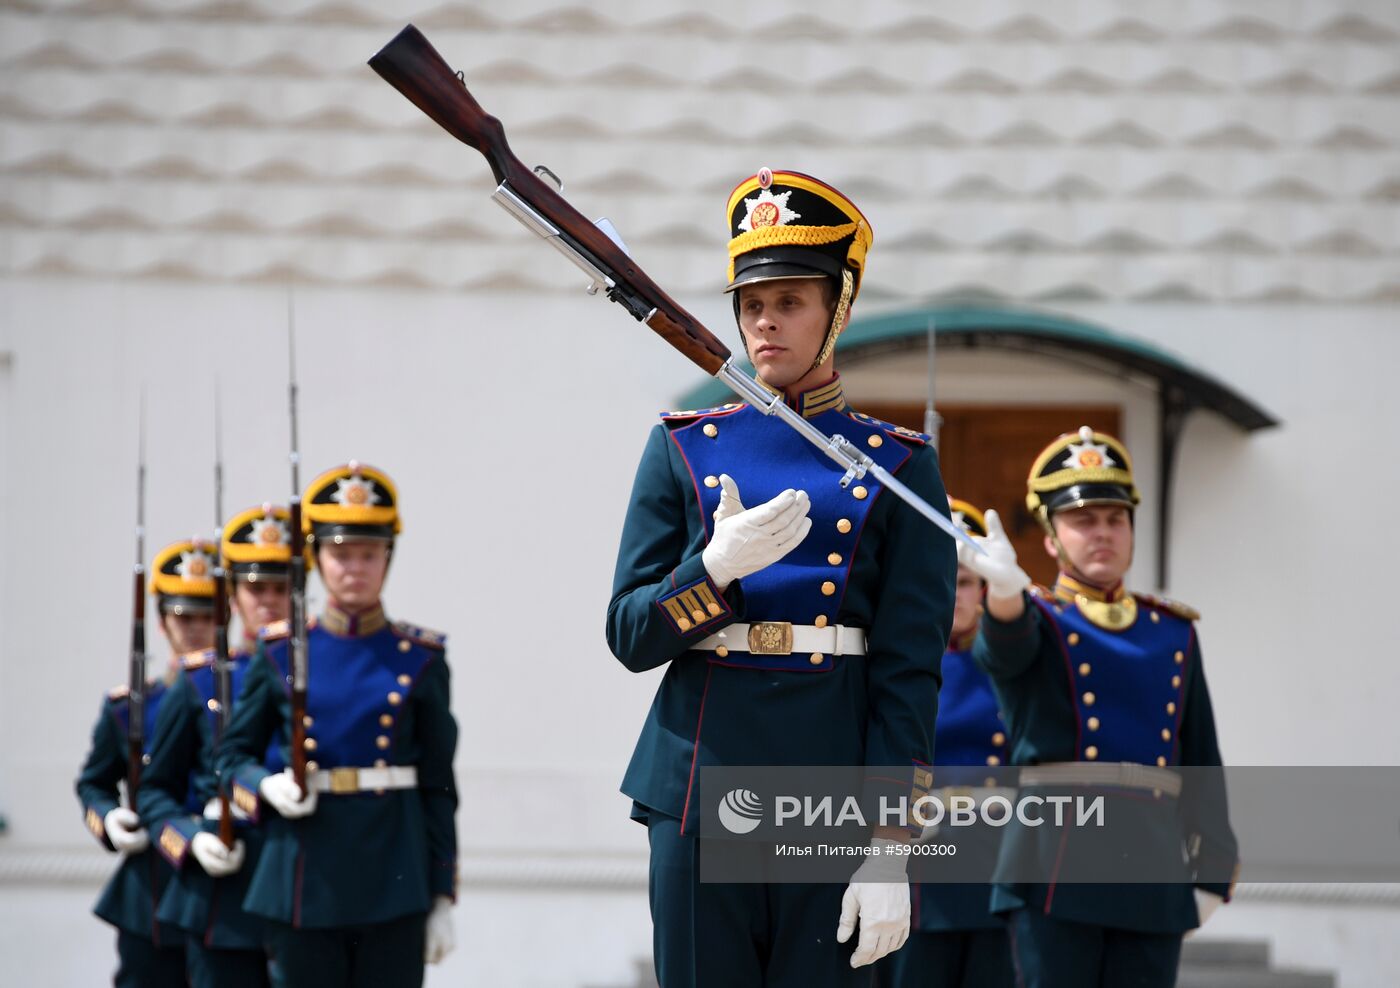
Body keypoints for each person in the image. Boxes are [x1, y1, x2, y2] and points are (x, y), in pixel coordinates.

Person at [606, 168, 957, 986]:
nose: (765, 322)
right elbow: (629, 634)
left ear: (839, 306)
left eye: (791, 301)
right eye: (752, 303)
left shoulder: (899, 468)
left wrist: (890, 850)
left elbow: (909, 675)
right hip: (700, 778)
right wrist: (712, 572)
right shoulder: (684, 447)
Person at [961, 427, 1238, 988]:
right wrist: (1006, 595)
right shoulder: (1037, 617)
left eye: (1116, 519)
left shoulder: (1173, 630)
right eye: (1084, 520)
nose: (1103, 533)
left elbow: (1200, 755)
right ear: (1052, 539)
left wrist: (1213, 864)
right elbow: (1003, 656)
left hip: (1152, 867)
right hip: (1055, 864)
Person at [216, 463, 457, 988]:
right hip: (305, 874)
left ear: (387, 558)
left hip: (393, 874)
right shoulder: (280, 652)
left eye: (368, 554)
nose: (355, 568)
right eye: (341, 554)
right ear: (316, 560)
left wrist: (441, 894)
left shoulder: (420, 658)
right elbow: (231, 757)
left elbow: (439, 786)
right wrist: (266, 786)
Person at [139, 504, 295, 988]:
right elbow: (153, 793)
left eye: (280, 588)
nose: (267, 601)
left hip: (305, 877)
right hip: (225, 886)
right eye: (254, 588)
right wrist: (189, 839)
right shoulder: (201, 679)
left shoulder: (316, 671)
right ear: (233, 597)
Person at [77, 537, 220, 987]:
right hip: (152, 886)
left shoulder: (241, 699)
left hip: (220, 874)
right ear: (161, 622)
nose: (194, 629)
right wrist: (109, 818)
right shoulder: (129, 709)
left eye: (205, 616)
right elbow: (93, 783)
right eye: (182, 616)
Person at [884, 498, 1014, 988]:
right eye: (940, 578)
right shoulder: (893, 666)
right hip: (917, 871)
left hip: (997, 866)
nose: (952, 594)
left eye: (963, 581)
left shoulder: (1012, 663)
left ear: (984, 588)